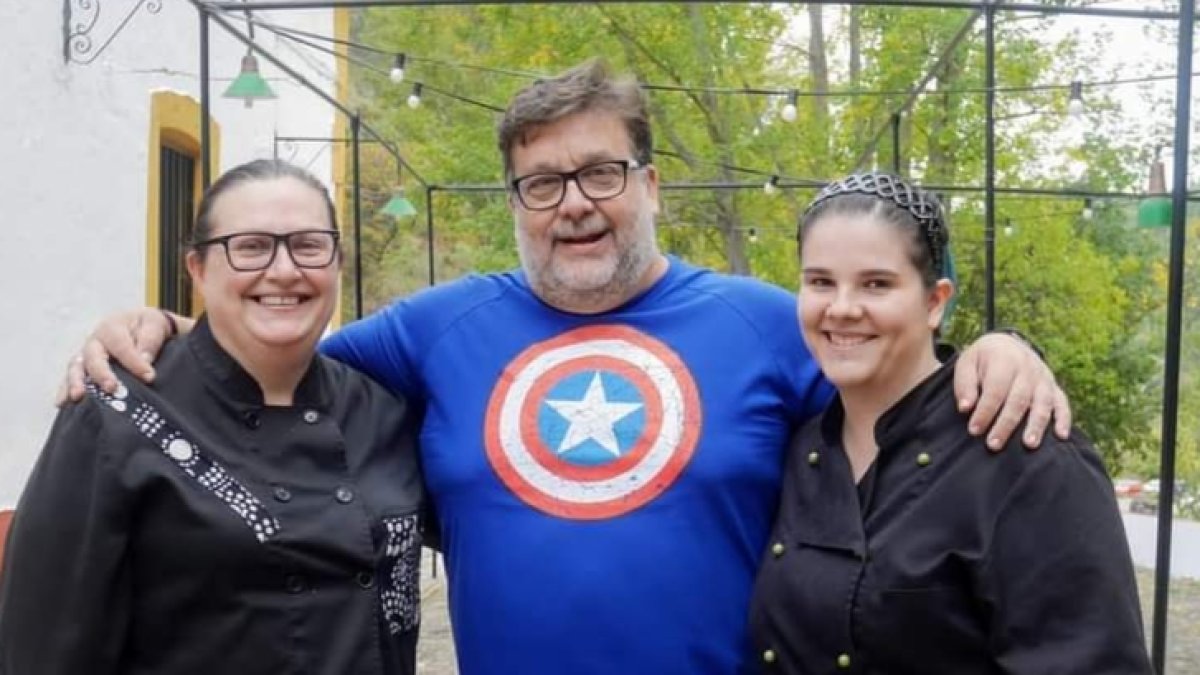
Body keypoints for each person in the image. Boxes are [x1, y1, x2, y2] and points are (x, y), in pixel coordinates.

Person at [63, 61, 1068, 674]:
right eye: (542, 182)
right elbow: (270, 347)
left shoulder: (771, 323)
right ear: (515, 201)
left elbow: (899, 388)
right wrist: (159, 325)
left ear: (652, 185)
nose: (574, 203)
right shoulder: (434, 327)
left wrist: (994, 347)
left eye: (600, 172)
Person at [0, 160, 425, 675]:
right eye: (251, 246)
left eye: (309, 245)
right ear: (197, 270)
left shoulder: (383, 410)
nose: (284, 269)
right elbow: (44, 645)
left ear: (337, 263)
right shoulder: (117, 411)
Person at [748, 173, 1151, 674]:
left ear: (935, 301)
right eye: (820, 282)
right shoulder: (801, 447)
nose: (843, 308)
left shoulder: (1024, 456)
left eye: (876, 284)